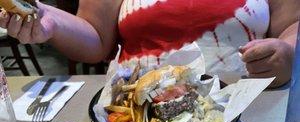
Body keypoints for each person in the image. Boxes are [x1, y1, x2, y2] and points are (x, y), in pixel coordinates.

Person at [0, 0, 299, 86]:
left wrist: (288, 54)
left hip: (249, 119)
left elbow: (292, 26)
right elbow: (95, 37)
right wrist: (47, 18)